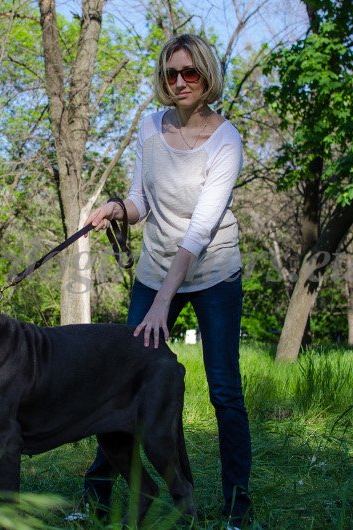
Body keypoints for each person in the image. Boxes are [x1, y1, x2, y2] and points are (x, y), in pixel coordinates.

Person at [81, 33, 252, 525]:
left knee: (223, 388)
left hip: (213, 272)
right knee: (122, 380)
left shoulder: (226, 140)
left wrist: (162, 303)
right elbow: (141, 202)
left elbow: (200, 230)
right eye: (171, 73)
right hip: (156, 266)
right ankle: (97, 493)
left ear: (207, 76)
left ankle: (238, 506)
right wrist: (116, 209)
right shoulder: (150, 127)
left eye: (190, 72)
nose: (180, 81)